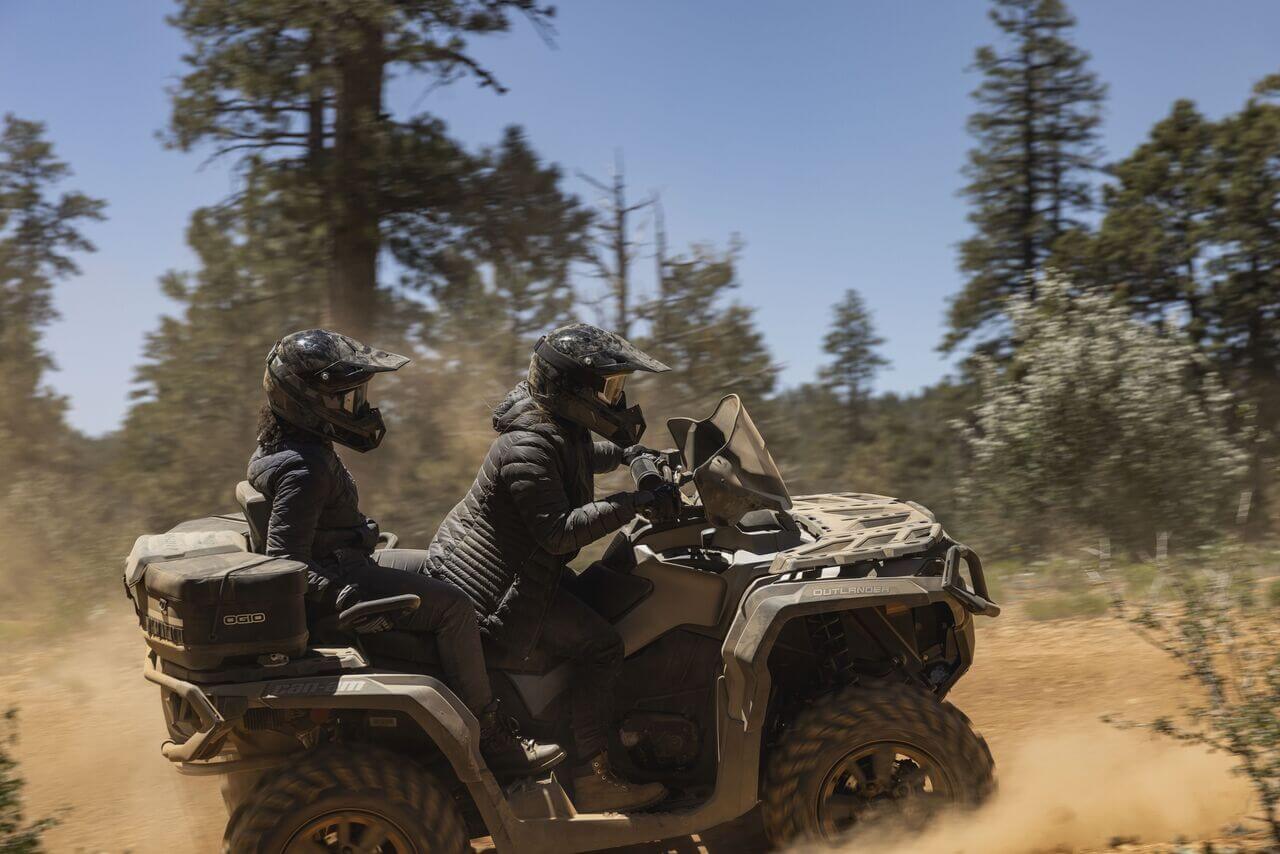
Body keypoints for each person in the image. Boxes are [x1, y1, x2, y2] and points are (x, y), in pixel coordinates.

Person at [247, 328, 564, 779]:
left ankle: (475, 681)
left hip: (346, 561)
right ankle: (491, 739)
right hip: (340, 580)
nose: (361, 407)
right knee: (454, 607)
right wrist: (343, 597)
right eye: (347, 398)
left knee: (444, 566)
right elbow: (285, 562)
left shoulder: (282, 444)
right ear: (306, 402)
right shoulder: (305, 465)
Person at [425, 322, 681, 812]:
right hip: (501, 597)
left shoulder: (553, 429)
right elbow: (559, 532)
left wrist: (632, 454)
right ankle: (591, 773)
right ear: (572, 389)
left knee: (605, 602)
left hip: (517, 574)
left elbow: (582, 455)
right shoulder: (527, 449)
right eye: (609, 387)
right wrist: (634, 501)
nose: (617, 398)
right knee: (603, 646)